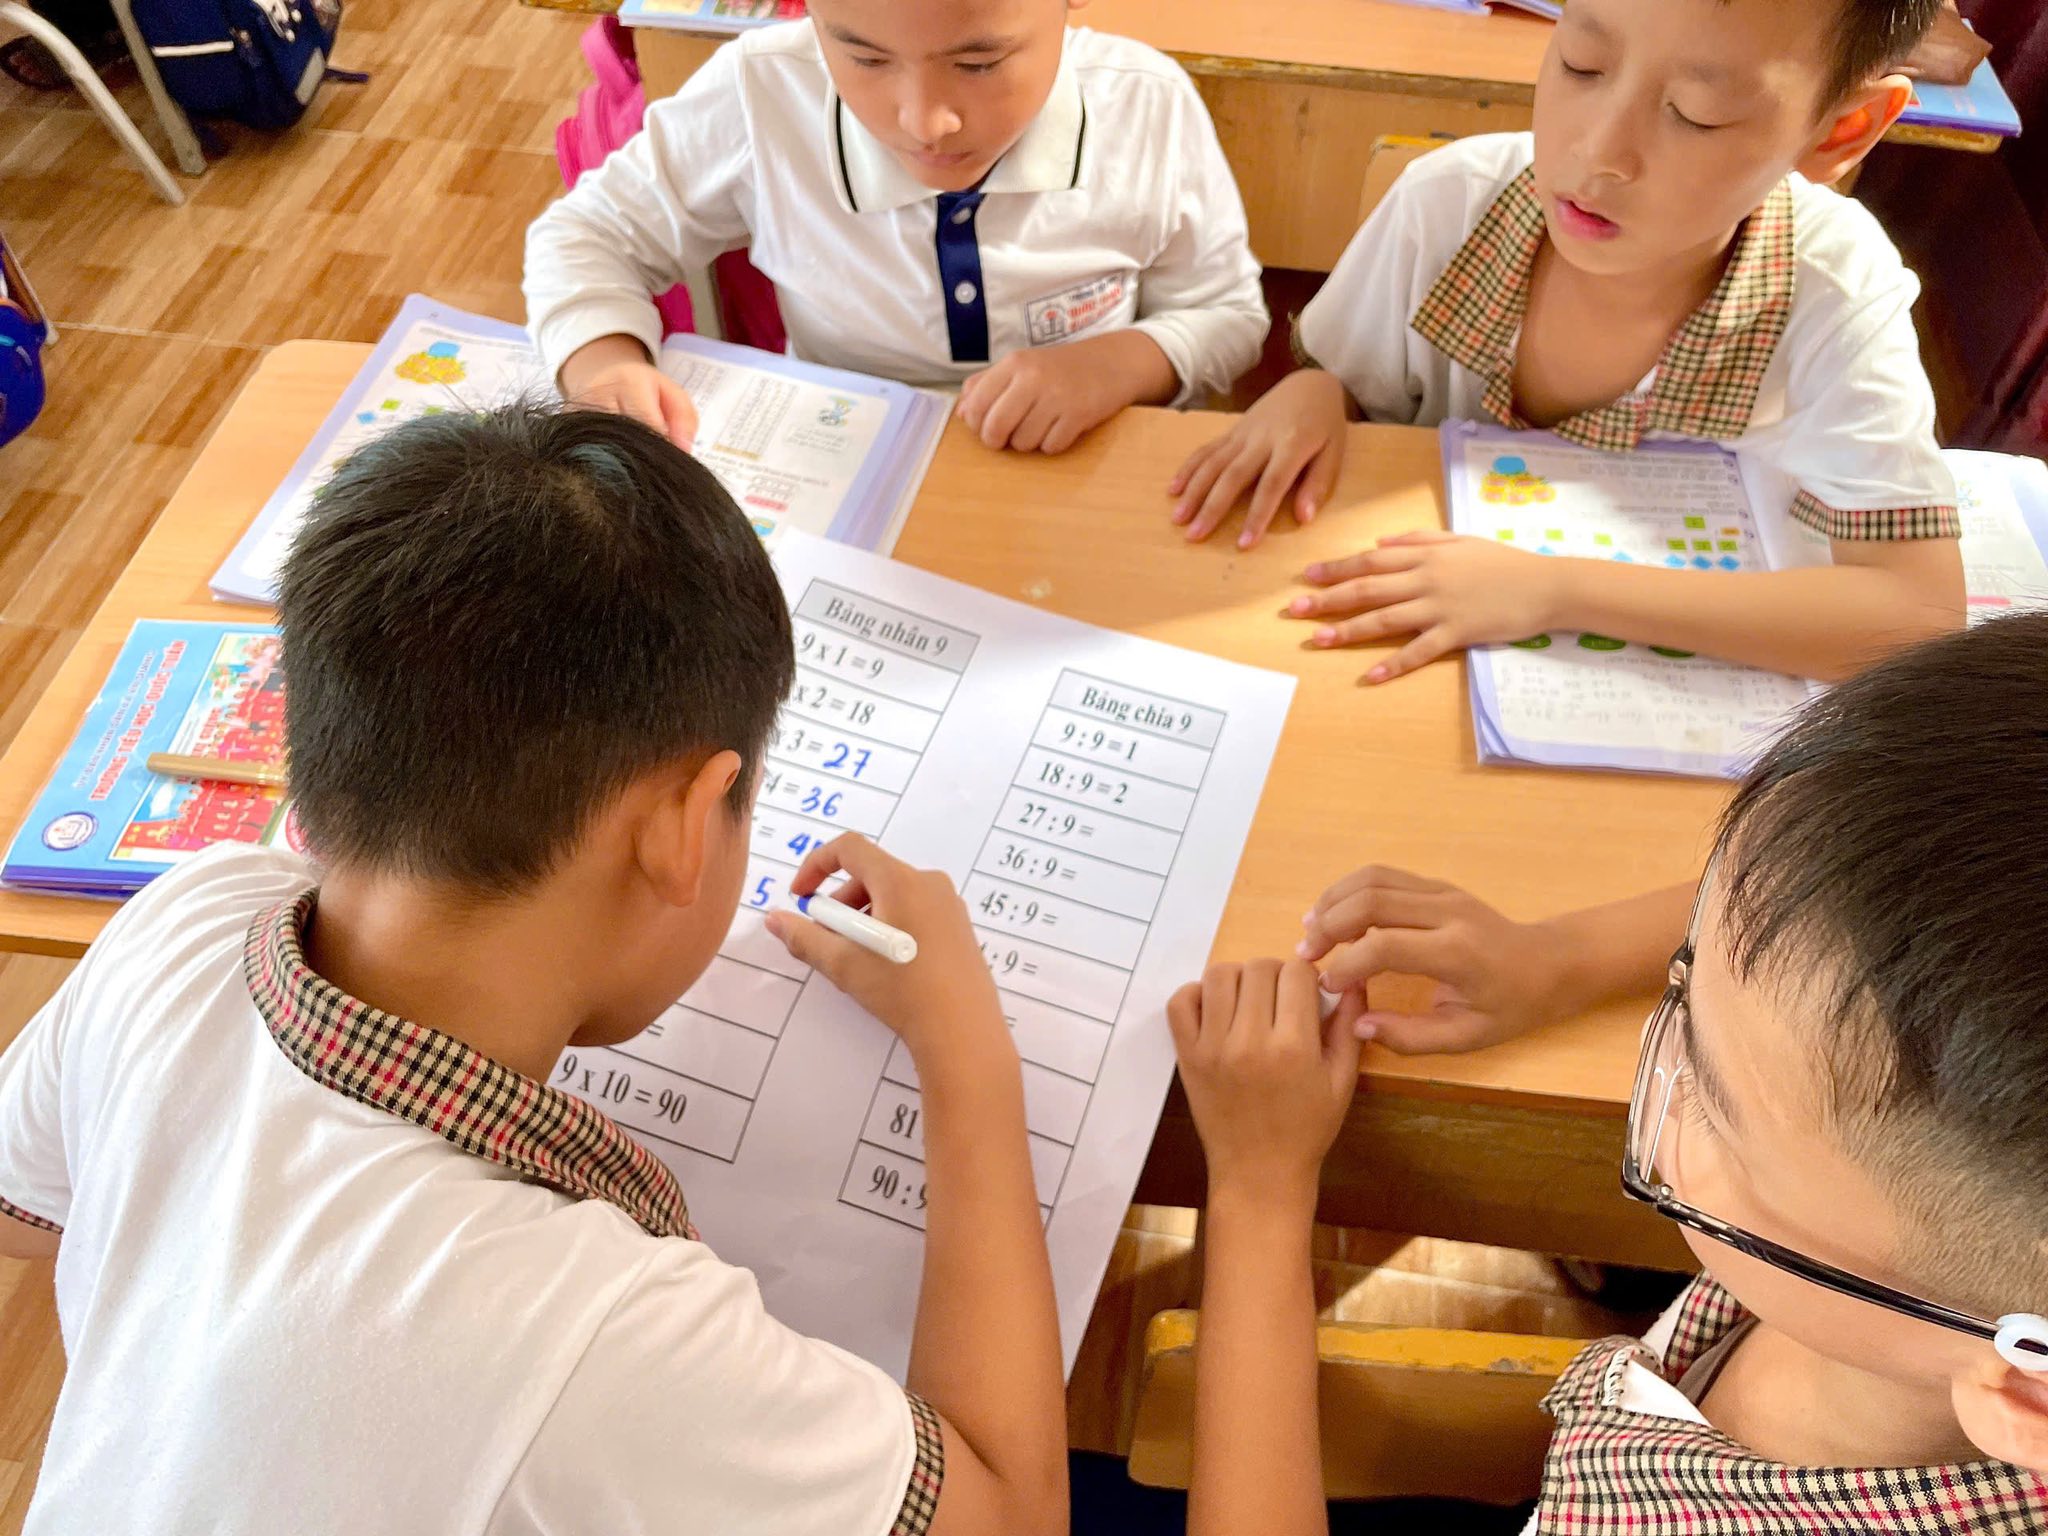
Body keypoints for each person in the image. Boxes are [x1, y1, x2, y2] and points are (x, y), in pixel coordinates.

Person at [0, 404, 1068, 1536]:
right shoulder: (599, 1331)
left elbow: (28, 1211)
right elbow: (1010, 1516)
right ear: (684, 824)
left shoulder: (190, 915)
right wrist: (965, 1049)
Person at [1174, 612, 2048, 1534]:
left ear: (2026, 1391)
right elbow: (1838, 903)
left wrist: (1259, 1187)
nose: (1653, 1074)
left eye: (1712, 1107)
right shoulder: (1935, 1303)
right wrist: (1561, 959)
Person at [1172, 0, 1964, 687]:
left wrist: (1555, 592)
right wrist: (1314, 389)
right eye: (1582, 64)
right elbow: (1337, 380)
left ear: (1842, 129)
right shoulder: (1447, 206)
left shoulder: (1833, 288)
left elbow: (1914, 617)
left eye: (1696, 113)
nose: (1598, 153)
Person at [524, 0, 1267, 457]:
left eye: (979, 62)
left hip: (1092, 463)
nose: (925, 122)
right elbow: (585, 236)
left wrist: (1121, 363)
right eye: (864, 57)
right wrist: (602, 365)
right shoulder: (762, 89)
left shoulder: (1147, 106)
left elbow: (1228, 314)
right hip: (841, 459)